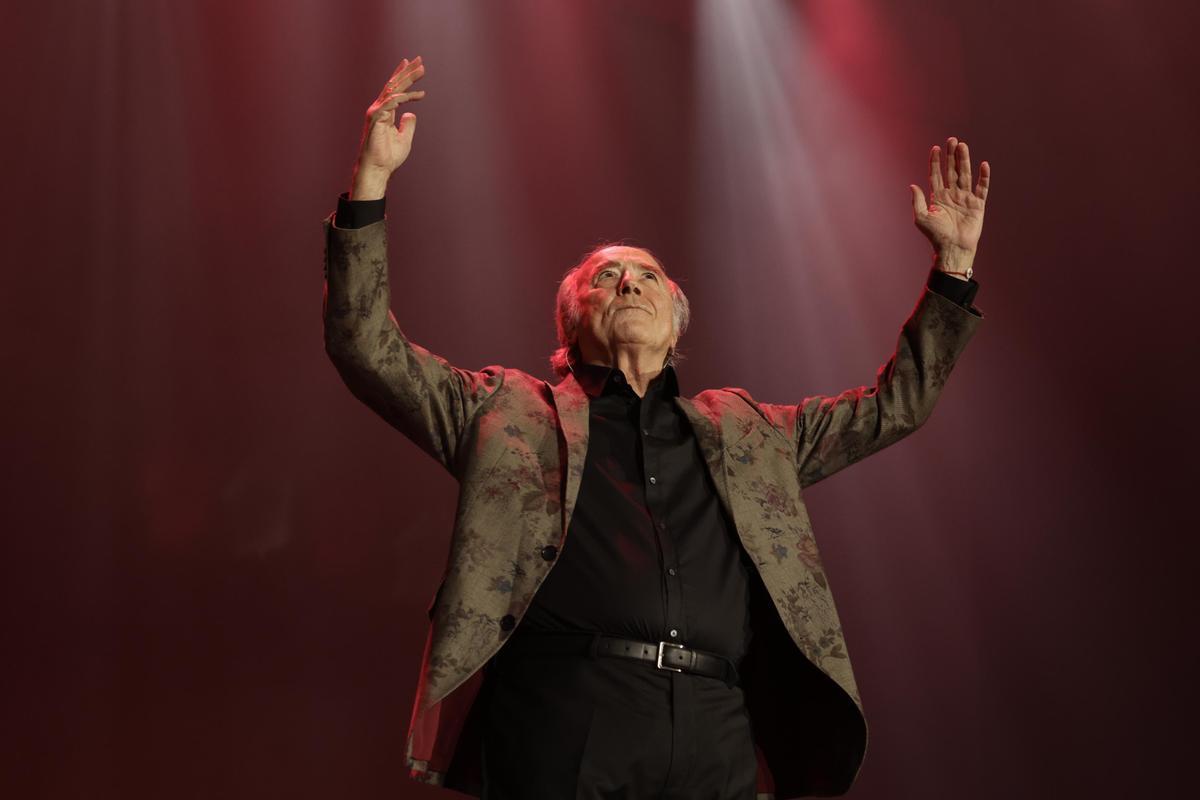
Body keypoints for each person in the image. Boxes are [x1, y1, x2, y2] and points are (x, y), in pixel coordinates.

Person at [323, 57, 989, 799]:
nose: (628, 282)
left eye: (645, 275)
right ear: (572, 326)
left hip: (716, 723)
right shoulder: (506, 411)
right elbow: (366, 347)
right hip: (570, 715)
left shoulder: (746, 431)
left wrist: (954, 268)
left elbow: (893, 407)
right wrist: (371, 183)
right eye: (603, 278)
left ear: (676, 325)